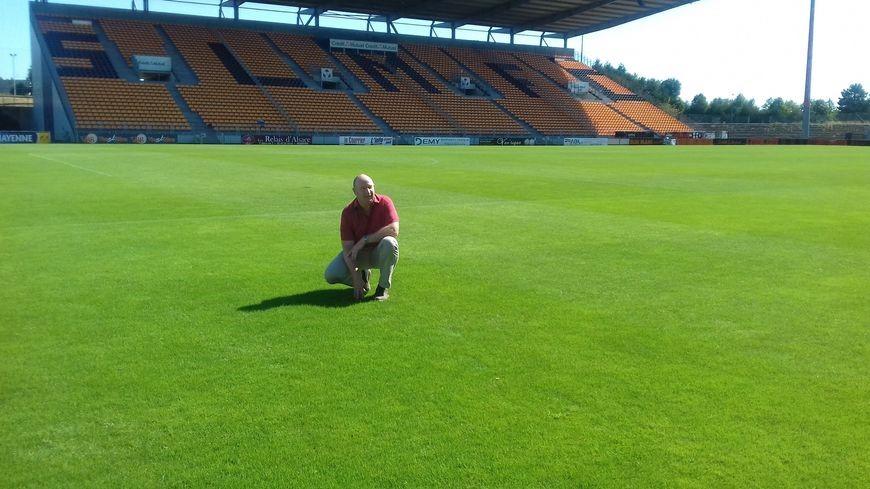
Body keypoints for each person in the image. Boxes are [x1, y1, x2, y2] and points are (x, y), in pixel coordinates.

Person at [324, 174, 399, 301]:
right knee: (331, 274)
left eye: (370, 187)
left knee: (390, 242)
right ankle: (363, 280)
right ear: (355, 191)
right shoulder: (348, 212)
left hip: (379, 253)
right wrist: (356, 277)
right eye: (363, 188)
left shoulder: (385, 202)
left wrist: (365, 240)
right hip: (358, 256)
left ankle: (382, 288)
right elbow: (348, 249)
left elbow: (393, 230)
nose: (368, 191)